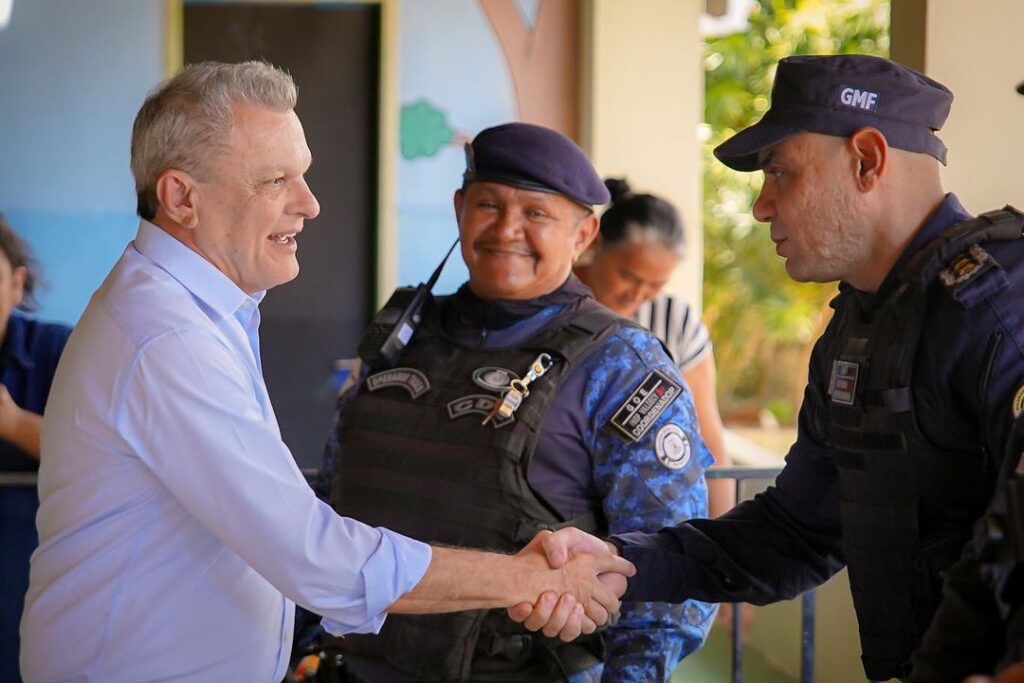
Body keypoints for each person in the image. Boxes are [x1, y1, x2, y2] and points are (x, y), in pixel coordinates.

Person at [18, 61, 632, 683]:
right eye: (275, 180)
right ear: (182, 197)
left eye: (302, 175)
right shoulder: (168, 337)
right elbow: (320, 559)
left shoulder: (199, 312)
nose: (309, 204)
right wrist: (529, 576)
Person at [512, 54, 1024, 682]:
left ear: (867, 160)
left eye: (780, 172)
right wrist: (621, 560)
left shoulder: (1000, 307)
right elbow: (796, 533)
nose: (761, 206)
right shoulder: (859, 330)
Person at [324, 122, 717, 682]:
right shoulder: (403, 335)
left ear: (583, 235)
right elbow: (336, 495)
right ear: (461, 208)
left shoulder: (621, 362)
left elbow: (673, 566)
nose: (507, 229)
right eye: (489, 204)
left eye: (536, 213)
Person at [573, 178, 734, 518]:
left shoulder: (675, 321)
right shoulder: (558, 302)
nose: (638, 294)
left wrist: (723, 547)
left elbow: (709, 440)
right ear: (596, 241)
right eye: (628, 276)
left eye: (655, 285)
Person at [0, 213, 71, 683]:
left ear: (16, 283)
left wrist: (13, 422)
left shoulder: (62, 349)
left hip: (31, 589)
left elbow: (107, 455)